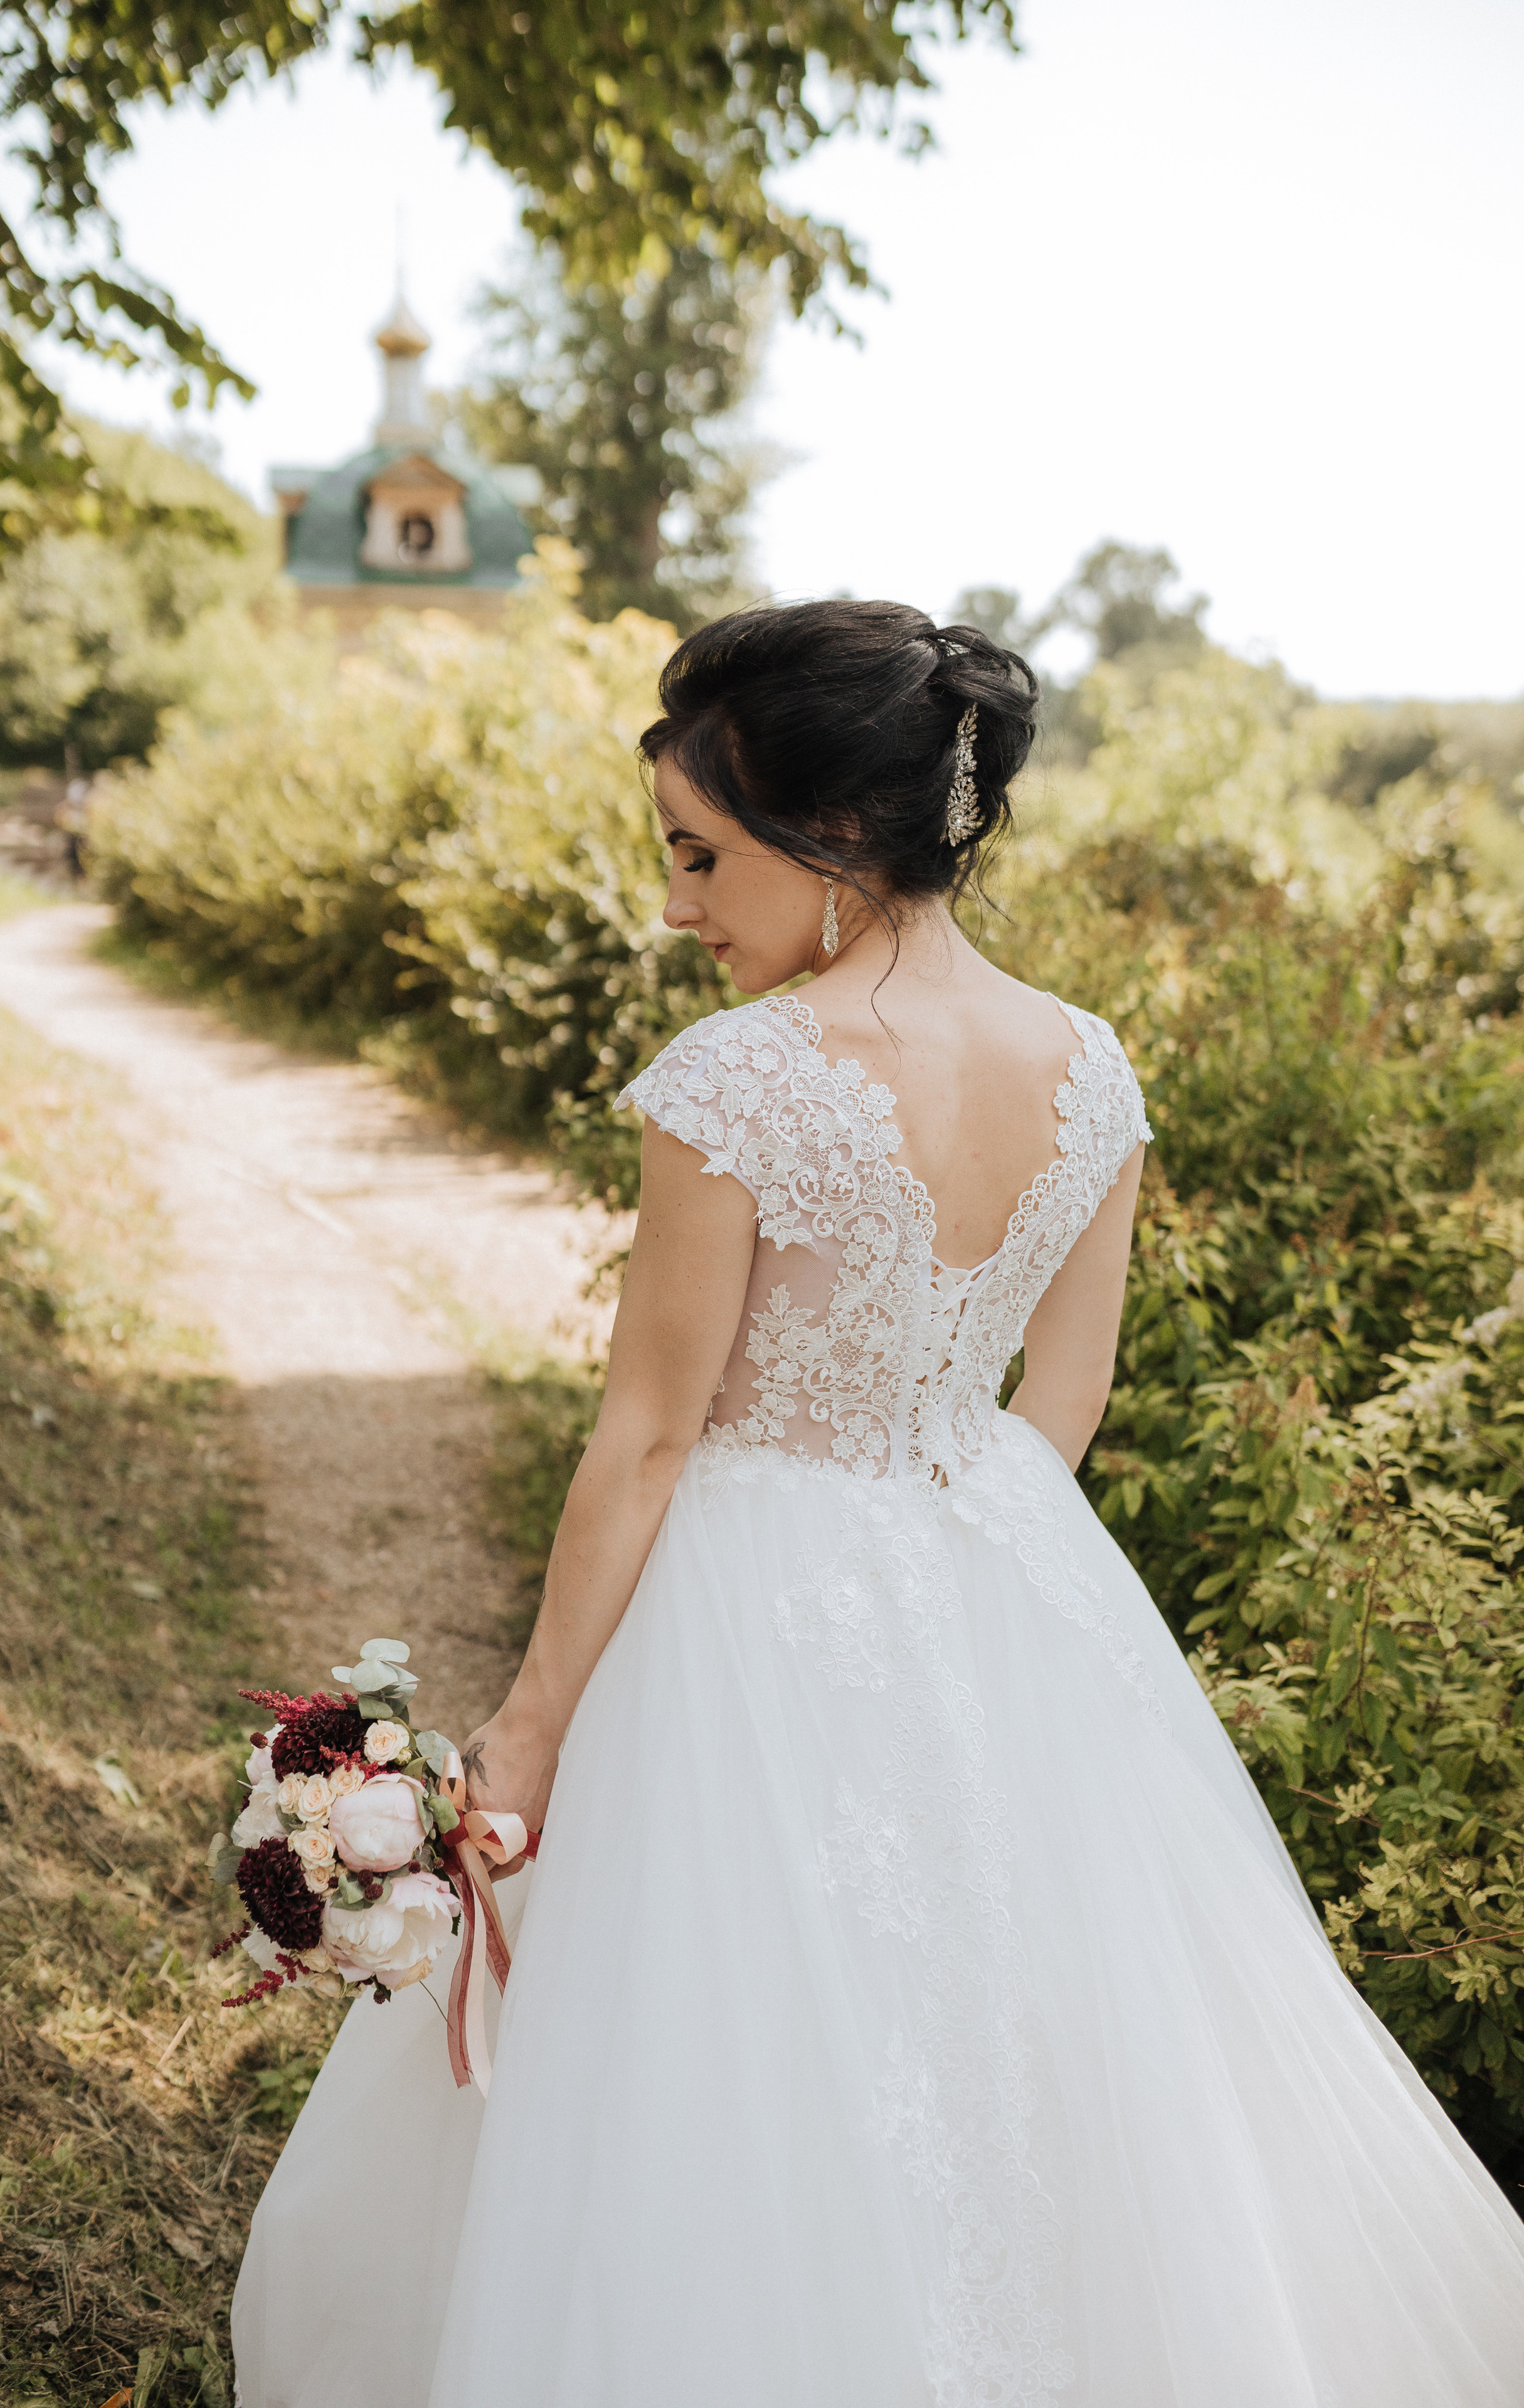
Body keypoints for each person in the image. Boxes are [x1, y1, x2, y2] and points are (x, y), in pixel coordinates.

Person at [232, 601, 1524, 2407]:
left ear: (835, 843)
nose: (677, 906)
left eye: (700, 856)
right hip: (1003, 1573)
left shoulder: (738, 1082)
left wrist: (525, 1733)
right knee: (1042, 2044)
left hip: (746, 1595)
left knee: (729, 2046)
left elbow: (650, 1440)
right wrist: (950, 1571)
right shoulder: (1093, 1068)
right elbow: (1059, 1398)